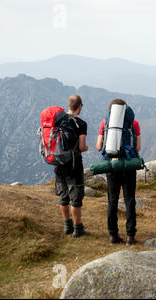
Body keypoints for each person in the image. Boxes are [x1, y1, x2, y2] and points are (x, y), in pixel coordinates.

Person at [96, 98, 141, 245]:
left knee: (112, 200)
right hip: (128, 165)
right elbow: (138, 148)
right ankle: (130, 236)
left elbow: (98, 146)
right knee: (129, 200)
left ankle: (113, 236)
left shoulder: (106, 123)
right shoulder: (133, 123)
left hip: (112, 165)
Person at [55, 95, 91, 238]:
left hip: (58, 163)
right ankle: (78, 229)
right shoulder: (81, 123)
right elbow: (82, 147)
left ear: (69, 105)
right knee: (75, 197)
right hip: (74, 164)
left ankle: (66, 226)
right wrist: (86, 147)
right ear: (80, 106)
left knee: (63, 195)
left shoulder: (58, 120)